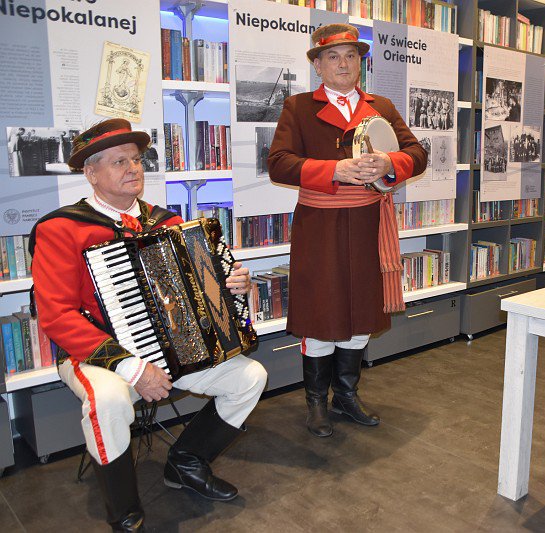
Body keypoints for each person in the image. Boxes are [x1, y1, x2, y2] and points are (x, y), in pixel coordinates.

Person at [30, 118, 268, 532]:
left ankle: (186, 463)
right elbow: (57, 316)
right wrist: (132, 367)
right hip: (94, 355)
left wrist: (233, 286)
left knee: (250, 377)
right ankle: (123, 507)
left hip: (173, 349)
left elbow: (204, 296)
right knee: (109, 400)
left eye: (136, 159)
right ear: (91, 173)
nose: (133, 168)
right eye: (119, 161)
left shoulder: (167, 223)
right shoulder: (61, 229)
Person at [268, 24, 427, 438]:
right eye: (333, 57)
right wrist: (333, 170)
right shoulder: (298, 107)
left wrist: (390, 163)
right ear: (318, 66)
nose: (343, 64)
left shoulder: (382, 106)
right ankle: (316, 402)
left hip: (367, 225)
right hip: (319, 226)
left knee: (360, 315)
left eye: (351, 56)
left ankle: (346, 395)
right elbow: (279, 164)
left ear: (361, 63)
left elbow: (417, 154)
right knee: (320, 315)